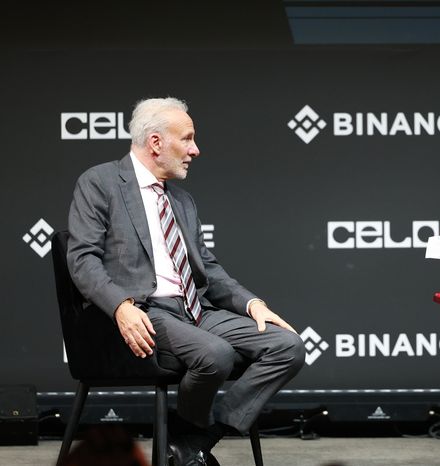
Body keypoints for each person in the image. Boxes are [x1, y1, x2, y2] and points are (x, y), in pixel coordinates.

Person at [67, 97, 305, 465]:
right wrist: (120, 307)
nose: (195, 150)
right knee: (215, 354)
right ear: (156, 142)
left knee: (287, 345)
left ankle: (194, 440)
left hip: (196, 310)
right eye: (188, 139)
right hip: (144, 312)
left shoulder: (182, 201)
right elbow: (82, 259)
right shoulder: (100, 182)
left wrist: (252, 303)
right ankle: (189, 444)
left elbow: (207, 267)